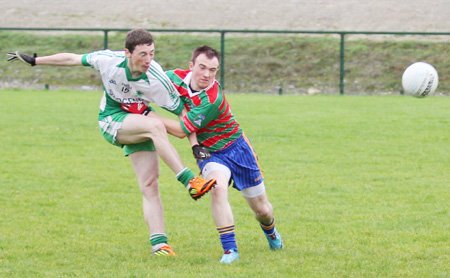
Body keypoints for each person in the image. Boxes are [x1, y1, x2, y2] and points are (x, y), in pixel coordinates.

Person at [6, 29, 216, 257]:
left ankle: (160, 245)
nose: (149, 60)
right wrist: (36, 60)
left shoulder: (157, 79)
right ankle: (189, 181)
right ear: (127, 53)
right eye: (143, 54)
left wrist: (195, 145)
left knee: (149, 183)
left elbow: (184, 114)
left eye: (152, 53)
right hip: (111, 119)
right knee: (155, 126)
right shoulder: (108, 60)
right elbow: (72, 58)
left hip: (138, 120)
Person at [148, 45, 283, 263]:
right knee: (217, 189)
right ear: (191, 66)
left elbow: (183, 131)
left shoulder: (212, 98)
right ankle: (231, 251)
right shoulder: (172, 78)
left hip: (237, 149)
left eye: (213, 70)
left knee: (262, 210)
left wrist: (150, 118)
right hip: (211, 153)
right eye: (202, 68)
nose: (207, 74)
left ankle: (272, 233)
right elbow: (149, 80)